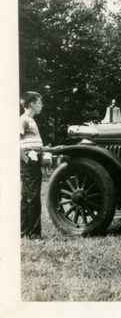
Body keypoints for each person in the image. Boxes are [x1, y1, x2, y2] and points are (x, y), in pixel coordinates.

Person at [20, 91, 52, 238]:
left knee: (27, 197)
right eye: (39, 102)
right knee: (33, 198)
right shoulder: (24, 120)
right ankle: (34, 233)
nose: (42, 105)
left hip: (33, 159)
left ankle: (25, 231)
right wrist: (26, 160)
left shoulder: (31, 120)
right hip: (29, 161)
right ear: (32, 104)